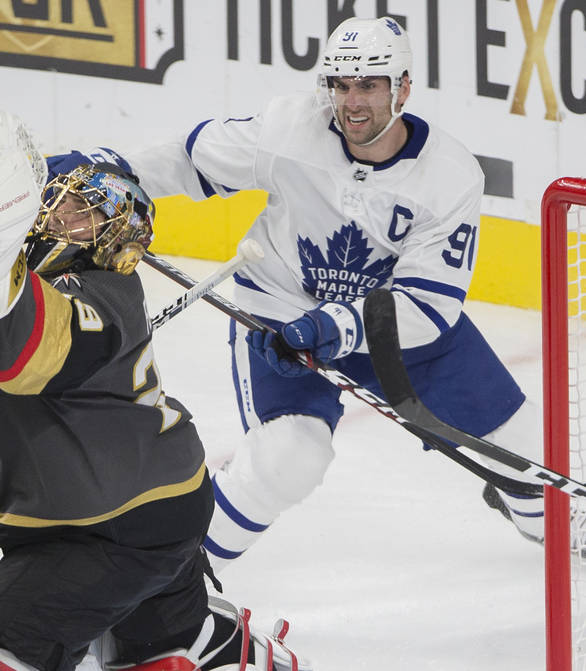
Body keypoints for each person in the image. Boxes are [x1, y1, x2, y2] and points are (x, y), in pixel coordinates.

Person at [47, 15, 543, 568]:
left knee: (525, 449)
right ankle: (176, 581)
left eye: (370, 86)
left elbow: (429, 303)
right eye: (341, 85)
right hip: (282, 316)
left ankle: (549, 527)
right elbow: (187, 160)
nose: (353, 103)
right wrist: (104, 171)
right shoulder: (289, 128)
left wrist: (336, 326)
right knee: (290, 457)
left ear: (403, 87)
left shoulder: (449, 174)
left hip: (390, 325)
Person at [0, 107, 306, 671]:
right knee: (161, 646)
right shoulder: (54, 287)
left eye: (84, 212)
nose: (66, 221)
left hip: (103, 527)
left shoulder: (95, 291)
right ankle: (209, 642)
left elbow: (20, 354)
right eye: (62, 204)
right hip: (158, 503)